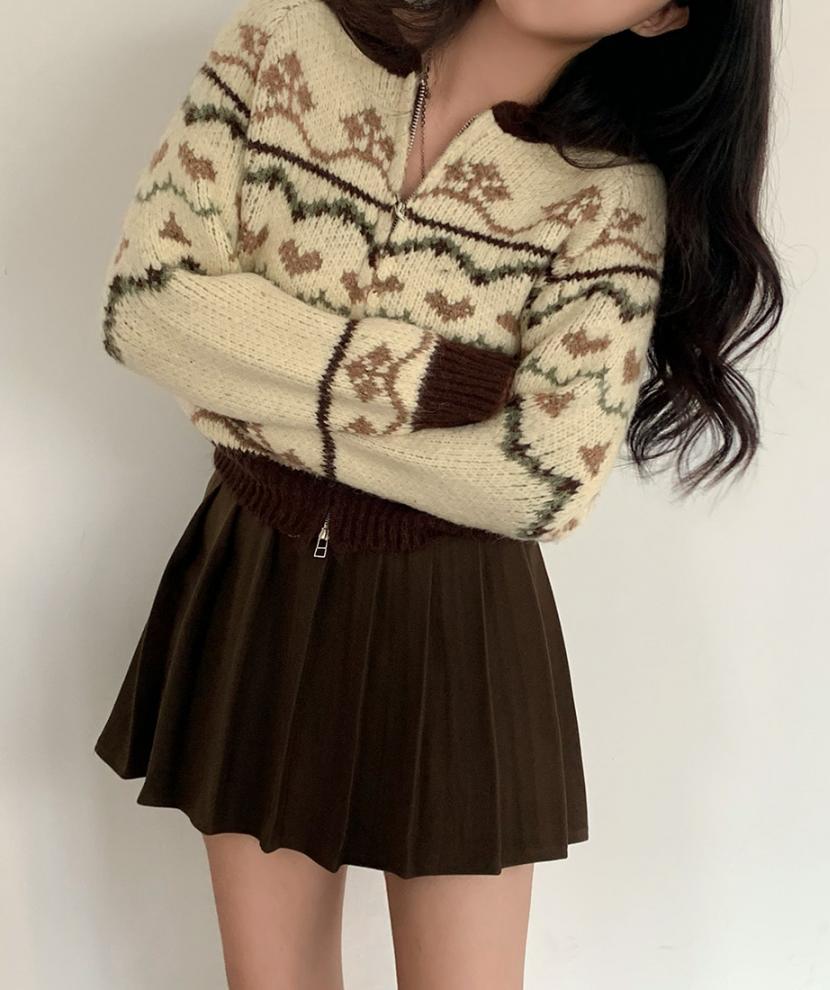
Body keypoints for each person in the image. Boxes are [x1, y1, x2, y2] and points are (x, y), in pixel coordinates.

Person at [93, 0, 784, 986]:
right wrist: (417, 381)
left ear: (666, 16)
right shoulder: (285, 39)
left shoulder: (610, 199)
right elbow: (146, 307)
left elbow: (543, 478)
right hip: (257, 581)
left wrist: (248, 396)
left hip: (460, 622)